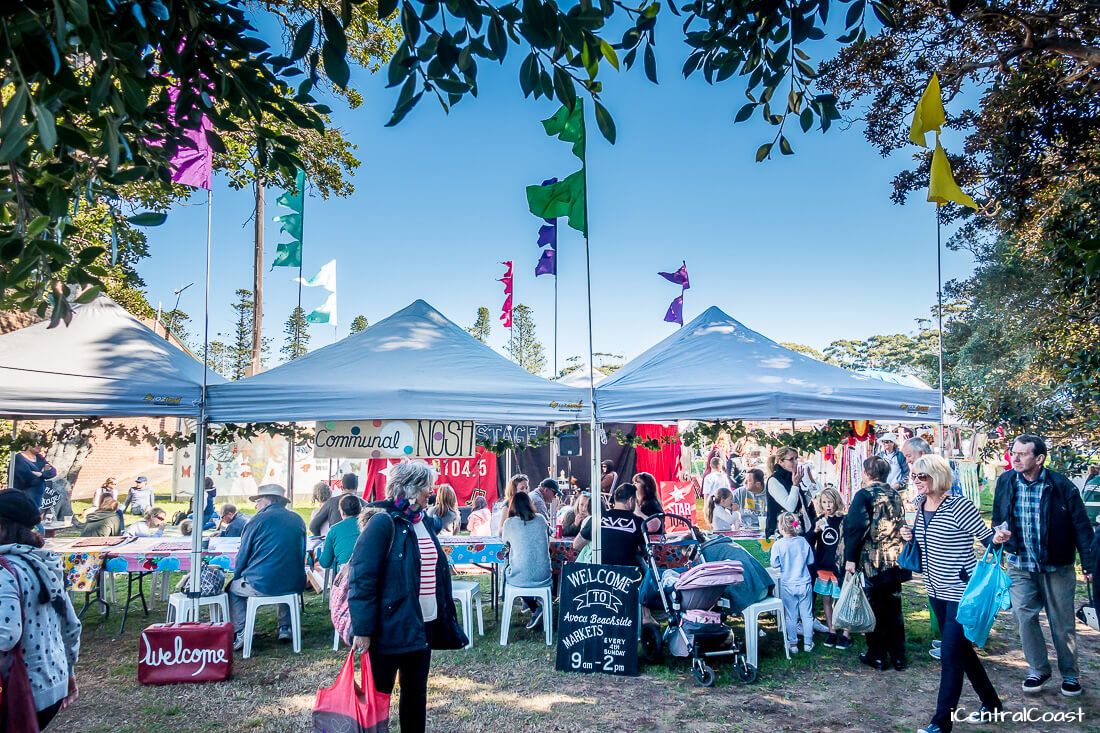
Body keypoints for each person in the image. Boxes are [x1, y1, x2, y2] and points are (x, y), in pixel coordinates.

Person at [348, 461, 467, 733]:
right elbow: (363, 578)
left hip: (421, 623)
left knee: (415, 695)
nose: (432, 491)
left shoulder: (422, 520)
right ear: (411, 488)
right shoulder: (382, 522)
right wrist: (363, 629)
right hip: (389, 626)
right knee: (379, 698)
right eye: (427, 486)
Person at [904, 455, 1004, 733]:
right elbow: (926, 542)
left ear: (938, 476)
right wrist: (909, 536)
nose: (917, 481)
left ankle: (940, 723)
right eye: (914, 476)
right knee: (962, 652)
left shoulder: (960, 505)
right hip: (934, 589)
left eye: (922, 476)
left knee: (950, 656)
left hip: (961, 591)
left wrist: (996, 539)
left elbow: (986, 540)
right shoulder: (919, 504)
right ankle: (992, 704)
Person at [991, 434, 1094, 697]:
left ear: (1039, 458)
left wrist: (1089, 565)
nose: (1015, 457)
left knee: (1062, 624)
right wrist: (1000, 533)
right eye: (1013, 452)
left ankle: (1070, 675)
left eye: (1022, 453)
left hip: (1056, 566)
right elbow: (999, 517)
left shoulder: (1061, 486)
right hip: (1020, 564)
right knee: (1024, 617)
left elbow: (1082, 527)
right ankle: (1038, 669)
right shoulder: (1005, 481)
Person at [0, 491, 81, 730]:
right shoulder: (43, 562)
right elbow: (71, 624)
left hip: (19, 691)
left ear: (3, 527)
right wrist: (69, 672)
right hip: (52, 684)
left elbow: (5, 635)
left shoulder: (4, 570)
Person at [843, 456, 909, 671]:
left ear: (866, 473)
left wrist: (850, 558)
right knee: (893, 608)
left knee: (875, 608)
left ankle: (877, 655)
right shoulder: (895, 494)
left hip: (872, 560)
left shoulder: (863, 495)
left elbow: (855, 527)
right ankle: (898, 656)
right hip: (895, 559)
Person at [228, 484, 307, 650]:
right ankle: (285, 627)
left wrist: (237, 575)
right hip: (294, 582)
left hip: (264, 582)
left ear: (265, 501)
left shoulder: (256, 521)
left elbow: (243, 555)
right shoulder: (298, 519)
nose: (256, 505)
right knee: (282, 574)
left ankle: (241, 631)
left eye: (257, 501)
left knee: (233, 588)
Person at [501, 491, 553, 630]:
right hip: (544, 575)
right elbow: (549, 535)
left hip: (521, 577)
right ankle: (531, 602)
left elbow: (505, 543)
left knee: (508, 573)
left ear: (513, 506)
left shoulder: (509, 523)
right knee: (529, 568)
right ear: (530, 504)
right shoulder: (541, 519)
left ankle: (534, 607)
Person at [811, 488, 851, 650]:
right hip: (823, 566)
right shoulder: (820, 520)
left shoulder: (844, 520)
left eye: (830, 501)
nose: (828, 505)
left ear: (837, 501)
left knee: (843, 599)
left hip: (839, 567)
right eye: (824, 502)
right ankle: (832, 630)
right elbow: (809, 539)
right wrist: (816, 530)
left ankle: (846, 633)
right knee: (826, 599)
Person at [771, 512, 815, 653]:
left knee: (791, 615)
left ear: (781, 528)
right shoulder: (803, 541)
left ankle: (793, 644)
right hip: (804, 582)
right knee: (807, 615)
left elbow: (774, 564)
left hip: (788, 583)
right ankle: (808, 643)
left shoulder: (778, 545)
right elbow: (811, 561)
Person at [574, 483, 646, 570]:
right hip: (626, 575)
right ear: (631, 500)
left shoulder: (597, 518)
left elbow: (576, 545)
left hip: (597, 573)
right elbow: (645, 551)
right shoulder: (638, 522)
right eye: (635, 500)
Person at [766, 447, 816, 539]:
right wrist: (796, 485)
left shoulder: (791, 477)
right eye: (791, 459)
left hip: (799, 531)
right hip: (783, 535)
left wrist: (812, 484)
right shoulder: (774, 480)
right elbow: (790, 507)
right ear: (780, 462)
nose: (795, 462)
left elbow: (802, 503)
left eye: (796, 458)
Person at [11, 438, 57, 512]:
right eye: (37, 443)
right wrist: (44, 474)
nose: (40, 446)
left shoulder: (39, 457)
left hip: (38, 499)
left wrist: (41, 474)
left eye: (41, 444)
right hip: (24, 499)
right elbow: (29, 479)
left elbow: (53, 471)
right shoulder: (19, 458)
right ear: (28, 444)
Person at [319, 494, 363, 570]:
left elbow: (325, 563)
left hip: (345, 576)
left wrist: (319, 551)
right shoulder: (369, 525)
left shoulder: (334, 530)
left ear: (342, 512)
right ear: (360, 510)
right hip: (368, 574)